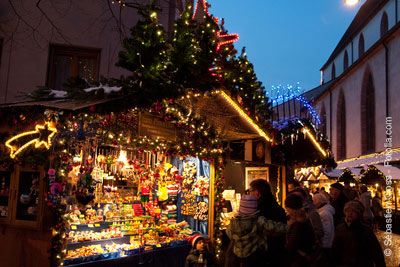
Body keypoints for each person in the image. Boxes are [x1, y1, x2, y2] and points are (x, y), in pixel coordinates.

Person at [225, 194, 288, 267]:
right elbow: (273, 227)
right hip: (255, 255)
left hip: (238, 255)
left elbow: (228, 233)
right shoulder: (258, 220)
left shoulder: (234, 222)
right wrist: (288, 227)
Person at [331, 200, 386, 267]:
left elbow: (376, 251)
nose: (350, 213)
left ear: (358, 213)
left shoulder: (365, 230)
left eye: (353, 211)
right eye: (347, 211)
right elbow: (335, 250)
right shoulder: (340, 229)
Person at [249, 179, 287, 266]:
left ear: (257, 193)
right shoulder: (278, 207)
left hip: (263, 255)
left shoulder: (258, 210)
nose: (249, 194)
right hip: (278, 254)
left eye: (250, 191)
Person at [284, 193, 321, 267]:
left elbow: (291, 245)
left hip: (299, 260)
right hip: (303, 258)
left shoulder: (298, 223)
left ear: (289, 208)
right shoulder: (304, 218)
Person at [313, 193, 335, 258]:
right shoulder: (323, 211)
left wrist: (323, 244)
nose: (313, 203)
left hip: (325, 245)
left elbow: (327, 231)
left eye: (314, 201)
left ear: (318, 202)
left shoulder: (325, 213)